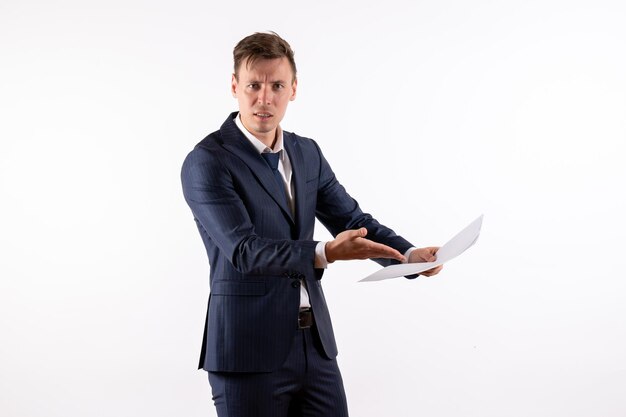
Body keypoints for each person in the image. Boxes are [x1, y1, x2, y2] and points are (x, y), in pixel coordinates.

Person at [181, 31, 443, 417]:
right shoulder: (207, 161)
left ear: (294, 89)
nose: (264, 98)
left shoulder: (306, 152)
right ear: (234, 86)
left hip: (314, 348)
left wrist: (408, 256)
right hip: (247, 350)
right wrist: (326, 252)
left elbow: (352, 220)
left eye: (277, 85)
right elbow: (244, 251)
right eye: (253, 85)